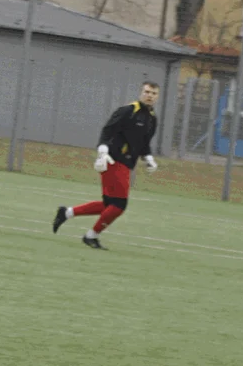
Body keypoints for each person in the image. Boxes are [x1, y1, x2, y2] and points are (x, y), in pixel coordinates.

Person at [52, 82, 161, 249]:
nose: (149, 95)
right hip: (113, 160)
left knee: (109, 204)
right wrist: (102, 152)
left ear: (157, 96)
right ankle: (91, 236)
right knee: (119, 205)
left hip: (127, 163)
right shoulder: (128, 111)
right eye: (147, 92)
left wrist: (148, 158)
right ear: (141, 93)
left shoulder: (152, 118)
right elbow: (107, 131)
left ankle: (67, 212)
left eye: (153, 93)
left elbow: (144, 143)